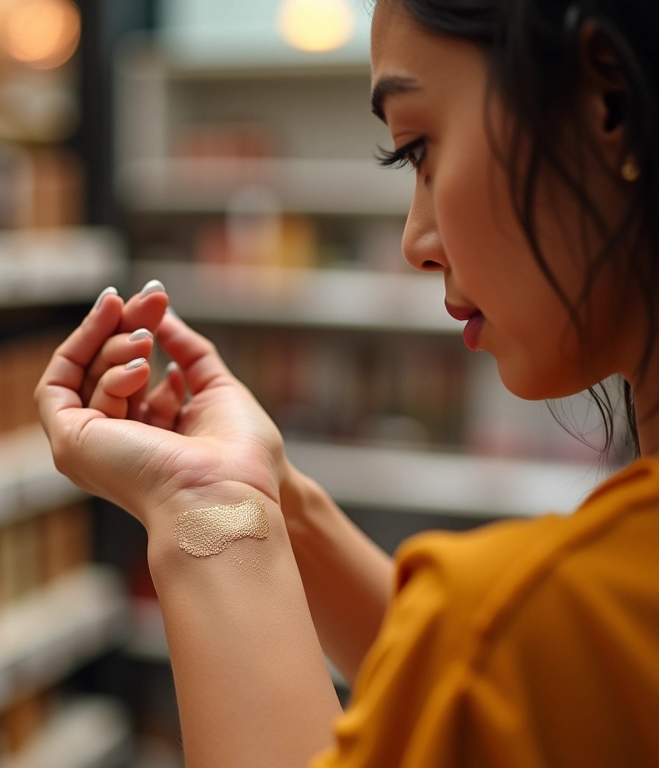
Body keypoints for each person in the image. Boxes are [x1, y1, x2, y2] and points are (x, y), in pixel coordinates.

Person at [35, 0, 659, 765]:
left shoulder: (541, 623)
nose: (414, 242)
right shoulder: (540, 630)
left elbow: (484, 658)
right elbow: (458, 687)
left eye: (419, 150)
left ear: (609, 102)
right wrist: (274, 496)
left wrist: (204, 508)